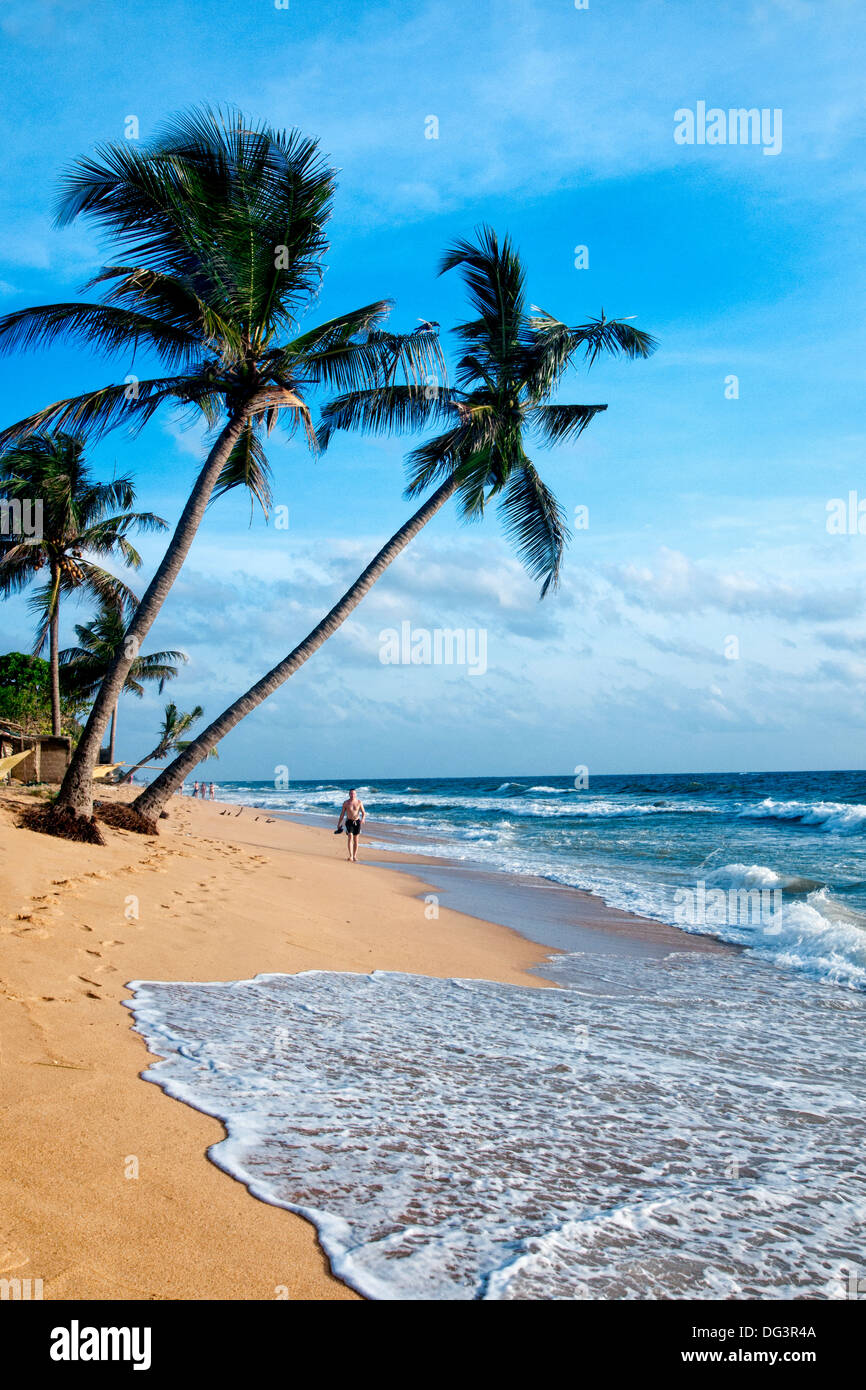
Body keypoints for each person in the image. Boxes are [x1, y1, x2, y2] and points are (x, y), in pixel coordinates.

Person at [336, 788, 366, 862]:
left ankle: (355, 856)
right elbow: (342, 814)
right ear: (349, 794)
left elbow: (363, 812)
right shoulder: (346, 803)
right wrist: (339, 823)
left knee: (356, 840)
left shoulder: (359, 802)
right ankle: (351, 856)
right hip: (349, 822)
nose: (352, 795)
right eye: (351, 793)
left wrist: (363, 819)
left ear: (356, 794)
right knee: (350, 836)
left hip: (357, 822)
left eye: (354, 793)